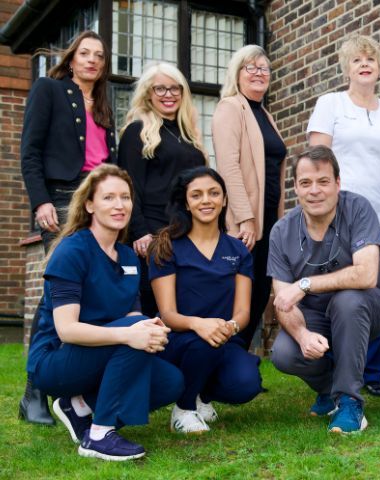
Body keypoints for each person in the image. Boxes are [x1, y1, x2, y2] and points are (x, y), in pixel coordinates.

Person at [26, 164, 184, 461]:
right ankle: (99, 434)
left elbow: (133, 317)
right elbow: (67, 329)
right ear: (89, 205)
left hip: (102, 353)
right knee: (134, 333)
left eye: (125, 197)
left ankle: (81, 406)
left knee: (170, 382)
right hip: (56, 360)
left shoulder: (127, 257)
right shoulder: (72, 251)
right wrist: (131, 333)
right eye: (108, 197)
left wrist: (151, 329)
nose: (119, 205)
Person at [20, 30, 118, 425]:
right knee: (57, 293)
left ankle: (75, 384)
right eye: (85, 53)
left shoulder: (105, 105)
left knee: (91, 289)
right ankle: (34, 393)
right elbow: (30, 151)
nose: (92, 60)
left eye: (99, 56)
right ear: (72, 57)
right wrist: (40, 200)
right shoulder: (49, 90)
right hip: (60, 198)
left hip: (98, 199)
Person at [267, 146, 380, 434]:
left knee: (348, 301)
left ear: (338, 184)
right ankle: (331, 391)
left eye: (323, 182)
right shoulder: (281, 231)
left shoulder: (358, 209)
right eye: (305, 183)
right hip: (316, 313)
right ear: (296, 188)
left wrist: (305, 284)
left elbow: (366, 275)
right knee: (284, 353)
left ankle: (351, 402)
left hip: (372, 302)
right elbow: (283, 300)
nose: (314, 191)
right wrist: (302, 335)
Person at [307, 33, 380, 397]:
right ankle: (335, 368)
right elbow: (318, 162)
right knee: (338, 289)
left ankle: (372, 371)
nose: (365, 64)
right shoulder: (330, 104)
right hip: (340, 214)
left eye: (371, 58)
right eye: (357, 60)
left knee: (376, 291)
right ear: (346, 68)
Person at [148, 167, 262, 434]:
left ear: (224, 200)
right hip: (178, 339)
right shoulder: (166, 246)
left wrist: (229, 327)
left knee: (245, 384)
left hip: (223, 337)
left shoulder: (238, 250)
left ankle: (202, 395)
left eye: (213, 193)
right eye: (196, 195)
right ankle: (184, 408)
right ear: (186, 203)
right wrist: (199, 324)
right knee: (202, 342)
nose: (206, 200)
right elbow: (167, 314)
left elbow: (243, 311)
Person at [212, 44, 287, 350]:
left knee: (260, 288)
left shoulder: (265, 114)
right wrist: (246, 218)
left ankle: (238, 357)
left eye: (264, 68)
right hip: (246, 220)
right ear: (237, 74)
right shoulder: (231, 107)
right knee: (239, 290)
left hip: (269, 217)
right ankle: (225, 357)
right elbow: (228, 166)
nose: (258, 73)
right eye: (251, 67)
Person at [118, 62, 208, 317]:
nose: (168, 94)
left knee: (181, 303)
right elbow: (128, 185)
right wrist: (140, 231)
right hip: (152, 235)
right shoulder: (138, 131)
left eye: (174, 88)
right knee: (151, 305)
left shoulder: (189, 135)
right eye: (160, 89)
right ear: (148, 93)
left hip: (187, 232)